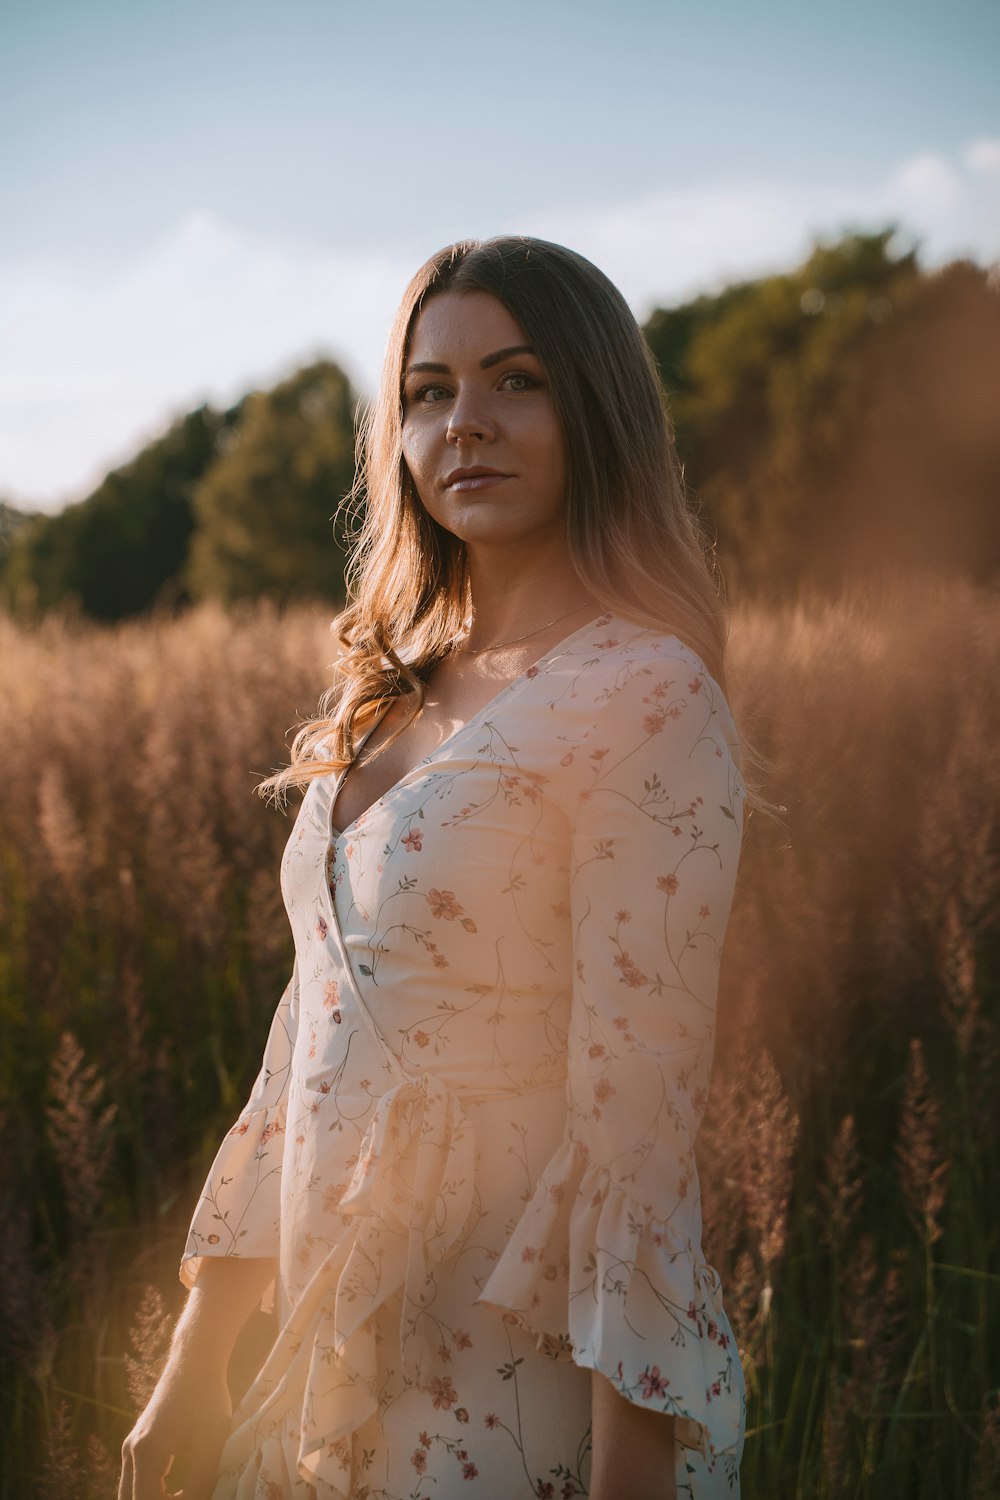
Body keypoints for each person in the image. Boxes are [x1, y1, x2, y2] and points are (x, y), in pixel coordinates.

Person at [119, 237, 746, 1500]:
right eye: (428, 390)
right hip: (326, 1358)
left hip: (514, 1378)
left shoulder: (643, 691)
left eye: (517, 381)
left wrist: (633, 1473)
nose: (467, 423)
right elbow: (307, 1036)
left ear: (596, 408)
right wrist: (197, 1365)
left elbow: (639, 1116)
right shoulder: (383, 693)